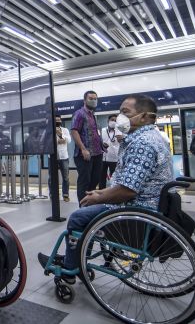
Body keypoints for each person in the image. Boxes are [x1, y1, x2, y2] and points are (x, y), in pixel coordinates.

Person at [38, 95, 172, 282]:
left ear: (144, 117)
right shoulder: (152, 137)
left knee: (78, 216)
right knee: (89, 205)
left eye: (126, 112)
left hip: (134, 211)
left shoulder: (142, 144)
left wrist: (99, 197)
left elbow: (127, 190)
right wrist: (101, 192)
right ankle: (77, 256)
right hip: (146, 206)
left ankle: (71, 267)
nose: (119, 117)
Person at [70, 91, 104, 202]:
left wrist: (101, 143)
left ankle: (89, 201)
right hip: (84, 154)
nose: (93, 101)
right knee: (85, 181)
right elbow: (74, 131)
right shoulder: (79, 113)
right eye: (91, 98)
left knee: (95, 179)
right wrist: (83, 149)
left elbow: (94, 133)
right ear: (84, 100)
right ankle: (82, 206)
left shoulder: (92, 115)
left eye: (95, 99)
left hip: (97, 153)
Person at [99, 114, 123, 189]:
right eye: (112, 120)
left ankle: (113, 195)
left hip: (114, 158)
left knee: (114, 178)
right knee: (101, 178)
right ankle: (101, 195)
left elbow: (122, 144)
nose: (114, 122)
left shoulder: (119, 132)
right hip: (103, 157)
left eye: (115, 121)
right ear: (108, 121)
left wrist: (121, 140)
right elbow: (97, 142)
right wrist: (102, 144)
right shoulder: (102, 130)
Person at [53, 116, 71, 202]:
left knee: (66, 177)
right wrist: (58, 141)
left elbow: (69, 140)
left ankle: (65, 194)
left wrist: (60, 135)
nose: (58, 121)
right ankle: (53, 194)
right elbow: (47, 141)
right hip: (53, 157)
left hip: (64, 157)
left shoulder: (65, 130)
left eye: (59, 120)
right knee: (51, 178)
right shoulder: (50, 130)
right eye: (56, 120)